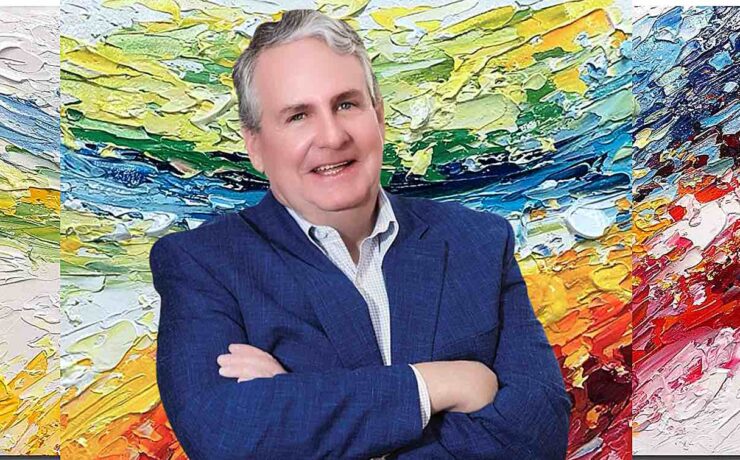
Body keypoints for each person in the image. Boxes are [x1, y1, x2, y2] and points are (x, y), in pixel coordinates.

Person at [149, 9, 571, 460]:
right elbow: (226, 437)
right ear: (255, 145)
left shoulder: (478, 242)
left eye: (346, 105)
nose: (331, 136)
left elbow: (538, 433)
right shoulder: (202, 264)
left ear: (379, 116)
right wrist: (440, 384)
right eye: (298, 116)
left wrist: (301, 403)